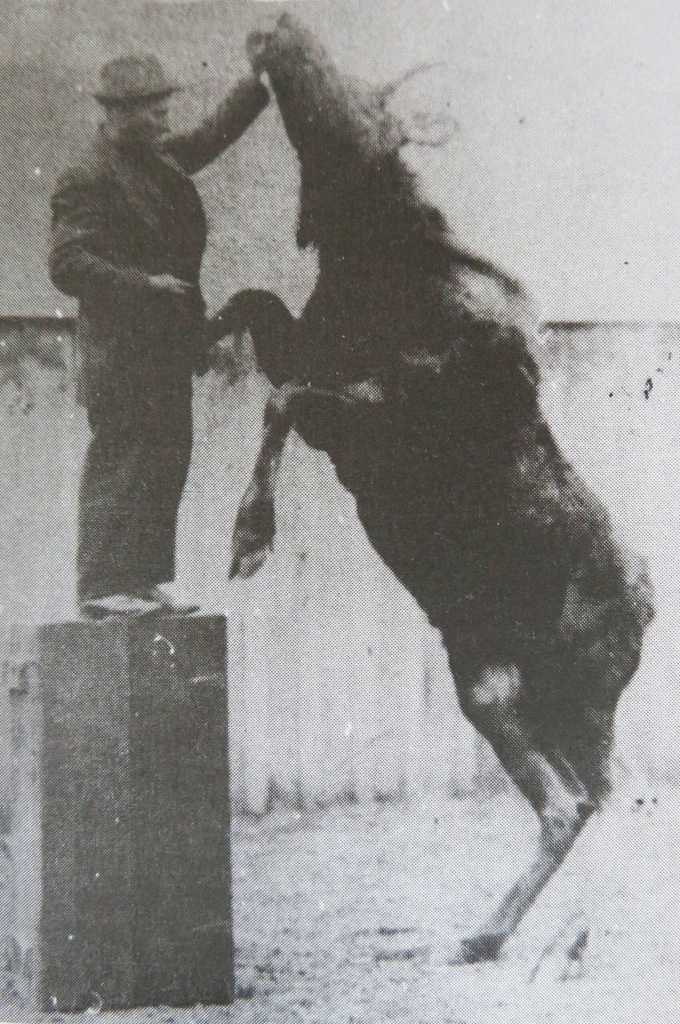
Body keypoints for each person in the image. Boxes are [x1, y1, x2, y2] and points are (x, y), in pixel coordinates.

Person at [49, 49, 268, 618]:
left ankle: (141, 580)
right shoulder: (87, 175)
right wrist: (145, 285)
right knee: (123, 457)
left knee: (165, 458)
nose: (168, 122)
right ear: (122, 113)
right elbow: (67, 264)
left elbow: (211, 136)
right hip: (122, 350)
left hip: (165, 347)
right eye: (157, 111)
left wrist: (259, 82)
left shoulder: (157, 158)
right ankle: (100, 587)